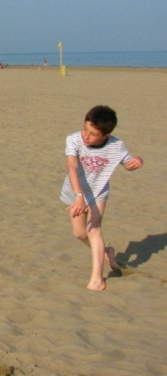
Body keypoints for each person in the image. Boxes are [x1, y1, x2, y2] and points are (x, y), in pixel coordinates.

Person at [60, 105, 143, 290]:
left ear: (105, 135)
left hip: (99, 192)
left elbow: (128, 164)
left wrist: (138, 160)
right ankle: (107, 253)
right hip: (76, 190)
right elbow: (72, 167)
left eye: (92, 134)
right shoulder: (73, 140)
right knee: (79, 233)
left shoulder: (116, 145)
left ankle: (97, 279)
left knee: (94, 228)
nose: (85, 136)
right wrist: (78, 196)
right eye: (85, 129)